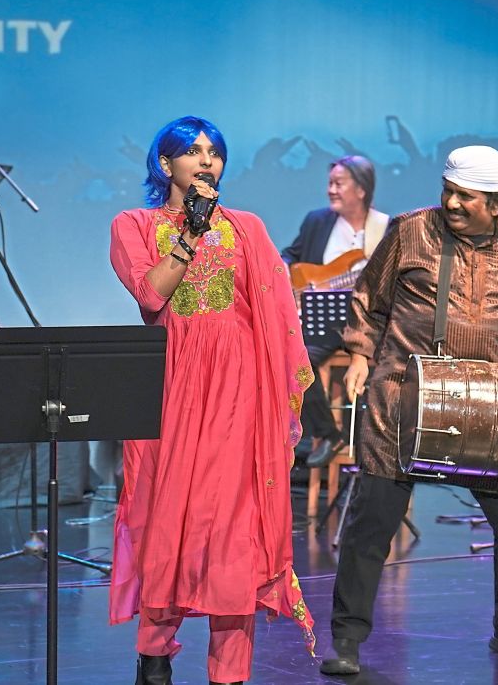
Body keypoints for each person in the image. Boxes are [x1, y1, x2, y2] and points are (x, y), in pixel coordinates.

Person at [320, 145, 498, 675]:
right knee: (371, 521)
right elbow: (369, 298)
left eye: (465, 197)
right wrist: (361, 352)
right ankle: (347, 638)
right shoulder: (410, 231)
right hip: (403, 399)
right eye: (447, 191)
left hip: (493, 409)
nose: (451, 202)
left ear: (496, 202)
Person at [108, 116, 316, 685]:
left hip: (237, 394)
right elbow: (151, 294)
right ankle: (154, 656)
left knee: (232, 528)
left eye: (215, 153)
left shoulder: (248, 227)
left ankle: (231, 673)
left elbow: (274, 316)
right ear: (164, 163)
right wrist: (190, 234)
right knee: (166, 518)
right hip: (171, 388)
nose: (206, 162)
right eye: (193, 152)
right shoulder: (134, 224)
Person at [281, 156, 389, 467]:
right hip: (322, 321)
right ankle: (328, 432)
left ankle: (376, 449)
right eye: (330, 183)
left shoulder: (385, 228)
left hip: (365, 327)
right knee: (291, 357)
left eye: (339, 184)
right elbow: (290, 255)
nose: (331, 190)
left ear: (361, 190)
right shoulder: (318, 221)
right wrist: (289, 275)